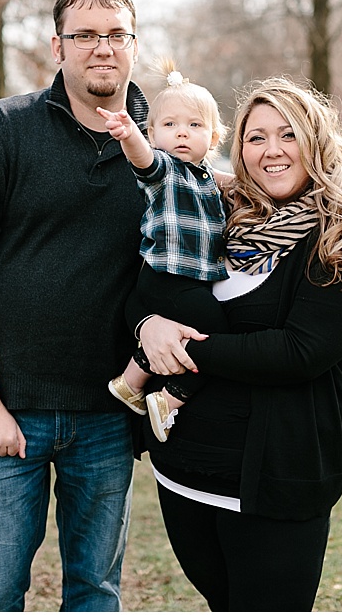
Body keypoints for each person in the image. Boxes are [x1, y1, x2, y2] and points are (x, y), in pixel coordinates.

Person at [132, 76, 342, 611]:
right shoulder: (215, 213)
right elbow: (147, 284)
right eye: (256, 138)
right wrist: (147, 326)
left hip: (276, 475)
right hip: (185, 470)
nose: (271, 151)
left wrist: (183, 350)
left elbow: (299, 352)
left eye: (288, 135)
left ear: (317, 142)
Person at [0, 0, 149, 612]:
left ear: (133, 45)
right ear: (58, 47)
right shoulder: (5, 127)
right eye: (85, 35)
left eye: (116, 34)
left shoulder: (160, 146)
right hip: (9, 412)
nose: (101, 48)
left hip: (109, 415)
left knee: (95, 593)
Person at [97, 59, 231, 443]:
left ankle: (130, 382)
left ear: (214, 136)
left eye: (194, 125)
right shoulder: (165, 171)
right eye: (169, 126)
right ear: (153, 133)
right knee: (216, 337)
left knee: (197, 333)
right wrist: (128, 137)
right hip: (166, 278)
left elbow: (233, 181)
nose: (182, 134)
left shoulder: (206, 176)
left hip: (187, 281)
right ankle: (170, 399)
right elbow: (145, 161)